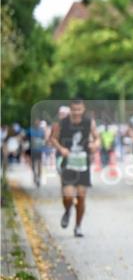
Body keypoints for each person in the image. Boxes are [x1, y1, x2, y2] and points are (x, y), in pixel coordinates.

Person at [48, 100, 98, 237]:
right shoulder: (62, 123)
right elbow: (52, 139)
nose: (76, 112)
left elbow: (97, 138)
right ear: (70, 109)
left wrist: (95, 145)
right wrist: (61, 148)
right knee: (68, 196)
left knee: (81, 196)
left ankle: (78, 226)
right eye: (74, 110)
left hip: (83, 163)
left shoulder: (89, 122)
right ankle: (67, 210)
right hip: (68, 163)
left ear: (83, 109)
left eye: (79, 109)